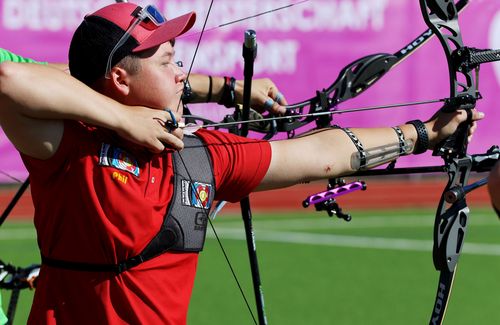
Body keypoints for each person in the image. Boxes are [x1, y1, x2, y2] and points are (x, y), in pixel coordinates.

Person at [0, 2, 483, 324]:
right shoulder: (69, 145)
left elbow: (323, 152)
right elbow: (6, 77)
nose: (180, 72)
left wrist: (422, 134)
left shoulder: (202, 156)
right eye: (166, 60)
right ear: (121, 80)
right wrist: (125, 122)